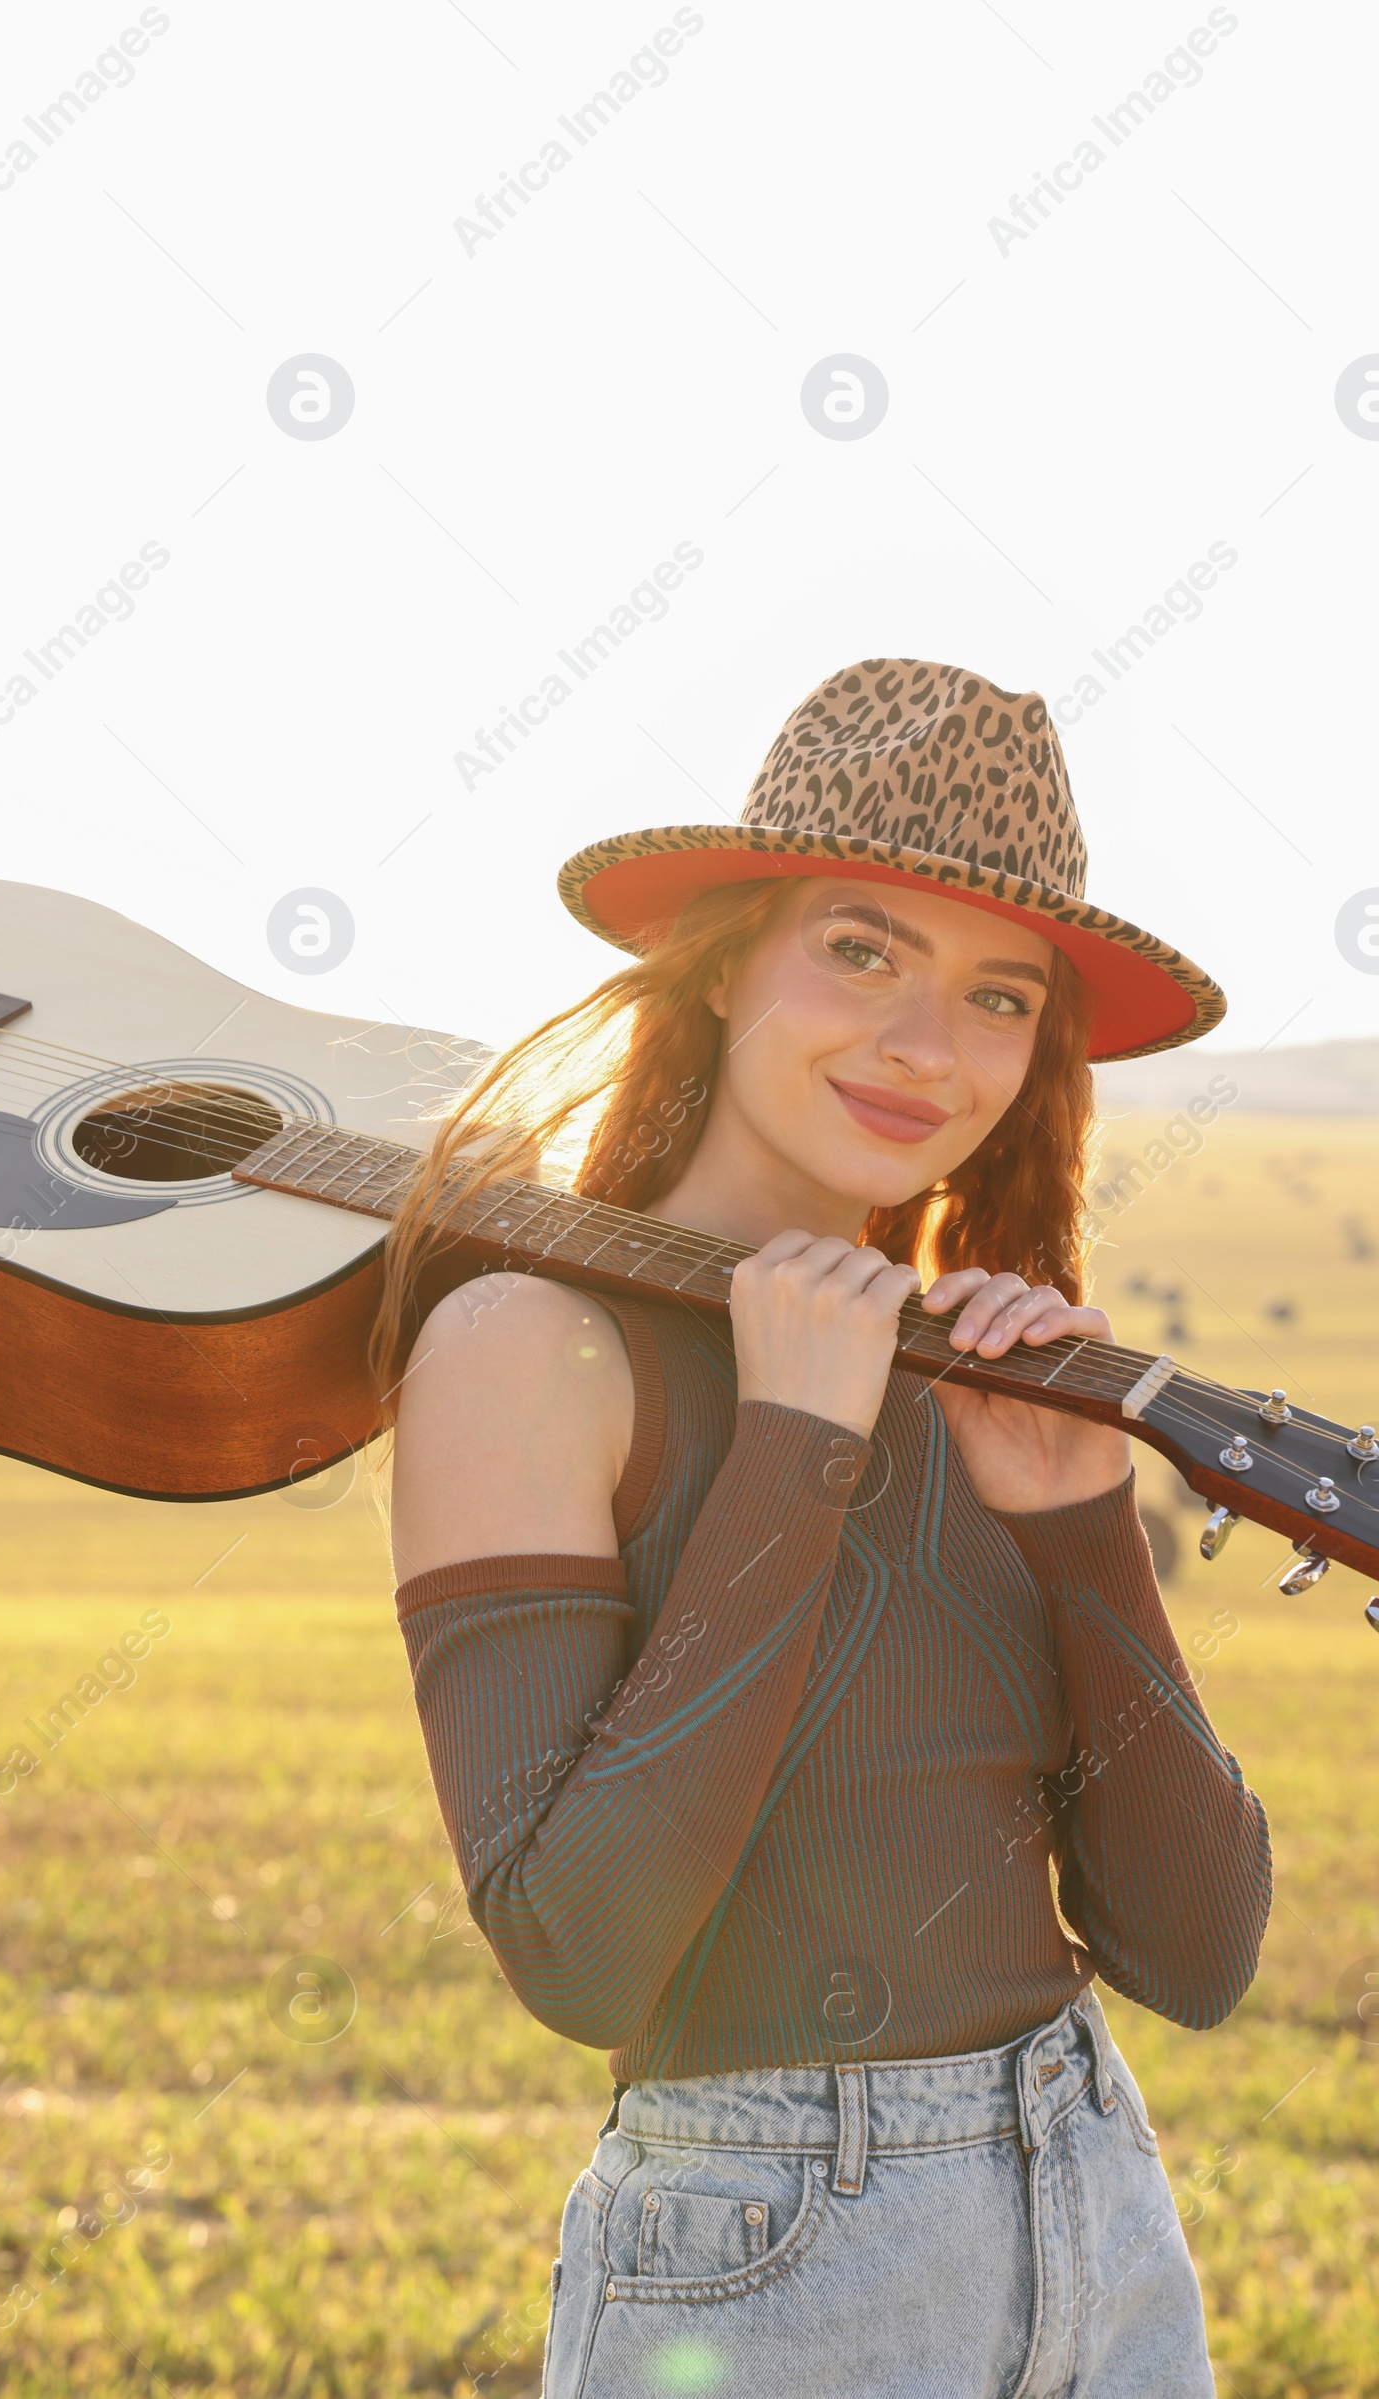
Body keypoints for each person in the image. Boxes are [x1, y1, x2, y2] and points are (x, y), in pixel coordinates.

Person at [375, 659, 1270, 2396]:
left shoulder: (990, 1370)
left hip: (1101, 2210)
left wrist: (1085, 1526)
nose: (929, 1048)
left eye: (1001, 996)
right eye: (860, 949)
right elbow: (582, 1949)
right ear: (721, 967)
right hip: (772, 2277)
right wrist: (794, 1443)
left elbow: (1197, 1948)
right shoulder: (523, 1345)